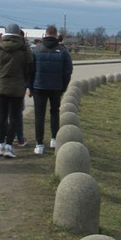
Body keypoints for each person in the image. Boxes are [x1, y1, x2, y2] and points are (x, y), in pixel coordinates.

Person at [0, 23, 34, 159]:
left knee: (2, 115)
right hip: (17, 86)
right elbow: (30, 67)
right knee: (14, 116)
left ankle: (0, 144)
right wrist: (24, 79)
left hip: (2, 85)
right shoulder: (24, 49)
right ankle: (9, 146)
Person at [30, 25, 72, 155]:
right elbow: (68, 71)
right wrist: (63, 86)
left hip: (39, 86)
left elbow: (30, 70)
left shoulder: (36, 50)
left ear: (45, 34)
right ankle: (54, 138)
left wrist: (30, 87)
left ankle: (39, 144)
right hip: (56, 86)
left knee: (39, 115)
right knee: (54, 112)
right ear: (56, 35)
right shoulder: (63, 51)